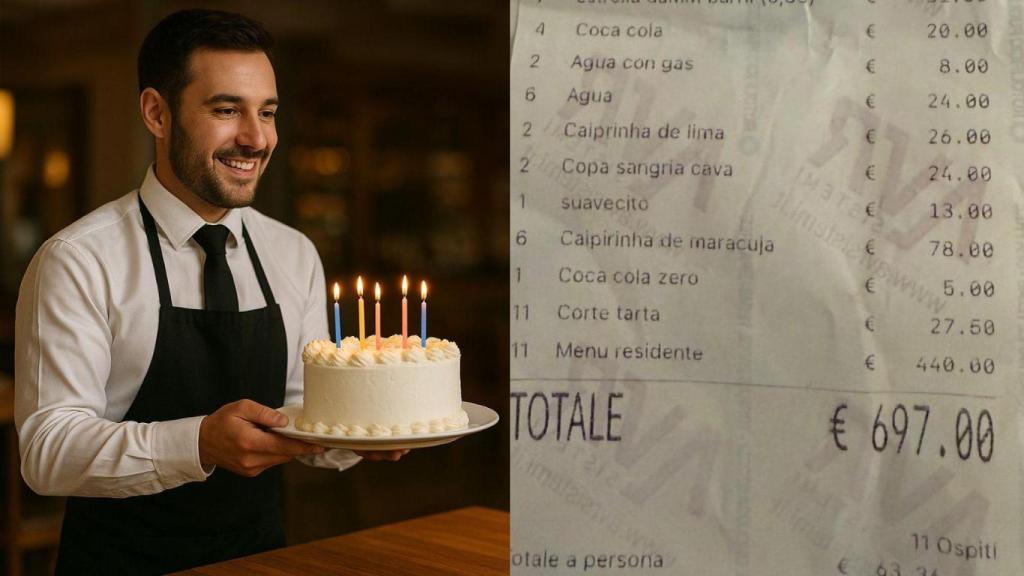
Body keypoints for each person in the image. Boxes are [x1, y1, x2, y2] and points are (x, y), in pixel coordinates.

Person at [13, 9, 403, 574]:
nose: (256, 138)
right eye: (227, 110)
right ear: (157, 113)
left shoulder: (293, 253)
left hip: (260, 557)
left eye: (267, 112)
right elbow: (48, 453)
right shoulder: (79, 260)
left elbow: (304, 407)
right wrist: (199, 443)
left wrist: (360, 431)